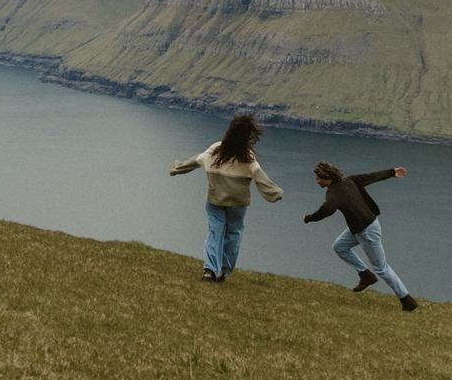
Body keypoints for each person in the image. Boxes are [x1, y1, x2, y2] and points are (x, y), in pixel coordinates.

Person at [170, 114, 283, 282]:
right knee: (233, 235)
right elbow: (261, 177)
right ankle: (223, 270)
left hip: (215, 200)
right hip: (238, 204)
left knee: (215, 233)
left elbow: (197, 160)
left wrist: (177, 168)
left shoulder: (216, 150)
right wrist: (275, 193)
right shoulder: (247, 156)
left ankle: (209, 270)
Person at [303, 162, 419, 311]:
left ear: (327, 178)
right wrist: (391, 172)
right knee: (339, 246)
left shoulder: (333, 192)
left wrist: (309, 218)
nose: (316, 181)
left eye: (318, 179)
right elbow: (371, 177)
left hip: (367, 232)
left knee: (382, 268)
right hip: (362, 227)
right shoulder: (349, 180)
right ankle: (366, 275)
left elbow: (328, 209)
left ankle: (407, 300)